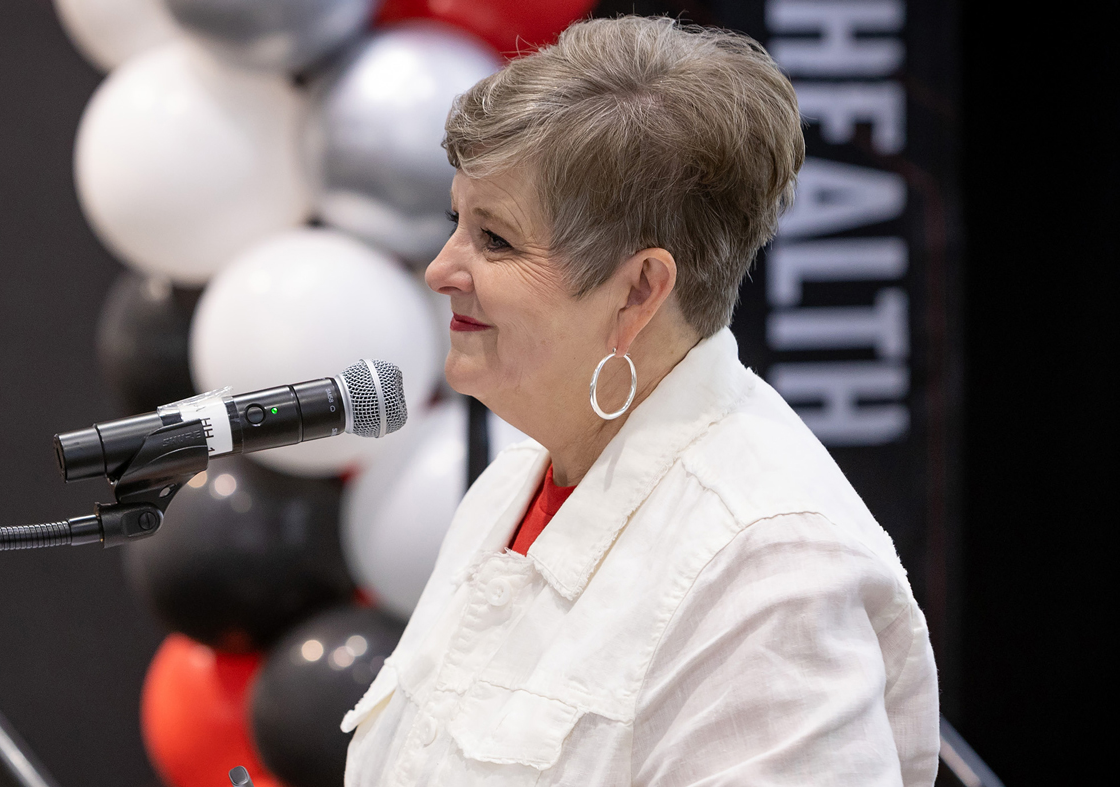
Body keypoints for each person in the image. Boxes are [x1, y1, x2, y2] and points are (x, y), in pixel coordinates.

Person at [339, 16, 939, 787]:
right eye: (456, 221)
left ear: (640, 289)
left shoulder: (772, 571)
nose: (441, 268)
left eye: (495, 240)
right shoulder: (514, 484)